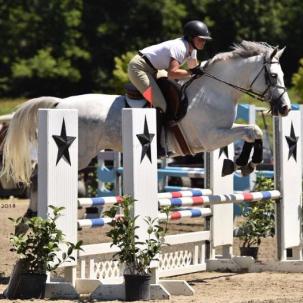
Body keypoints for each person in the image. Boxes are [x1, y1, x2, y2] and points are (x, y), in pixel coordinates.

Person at [127, 20, 212, 156]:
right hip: (139, 68)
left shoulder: (192, 50)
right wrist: (192, 73)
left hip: (154, 69)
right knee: (160, 104)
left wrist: (200, 72)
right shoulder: (180, 47)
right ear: (191, 38)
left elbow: (192, 68)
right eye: (201, 39)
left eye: (205, 40)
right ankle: (155, 145)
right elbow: (173, 73)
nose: (203, 42)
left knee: (174, 90)